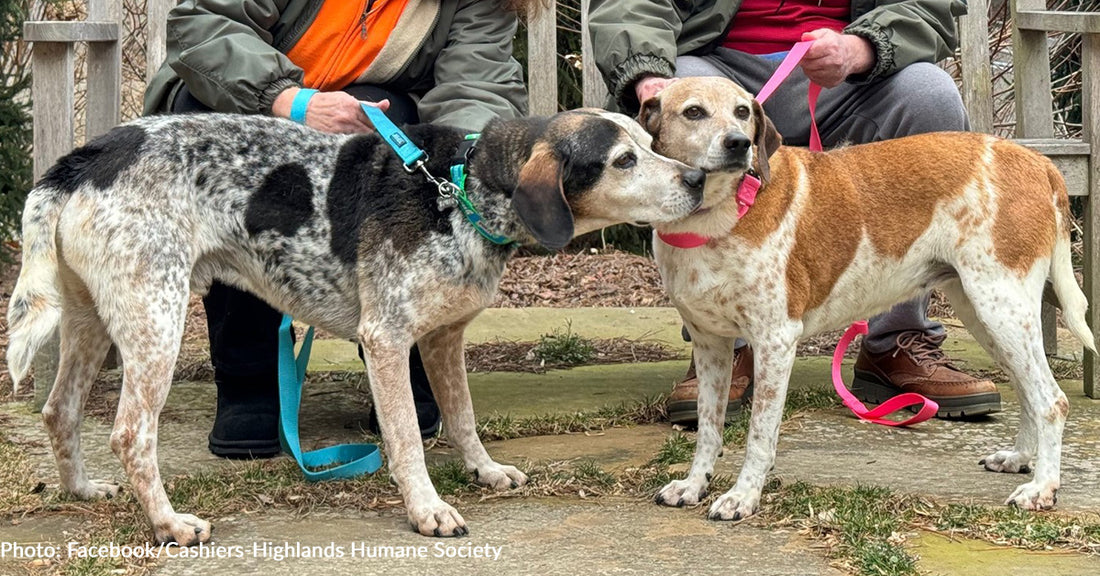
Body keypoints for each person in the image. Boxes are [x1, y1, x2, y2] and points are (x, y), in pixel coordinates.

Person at [144, 0, 530, 458]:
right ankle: (249, 377)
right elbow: (205, 22)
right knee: (208, 114)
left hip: (380, 123)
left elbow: (477, 84)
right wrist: (291, 102)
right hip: (255, 99)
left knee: (408, 131)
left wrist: (457, 162)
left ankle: (404, 354)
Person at [588, 0, 1003, 426]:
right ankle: (722, 346)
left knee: (928, 95)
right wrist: (650, 76)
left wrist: (863, 47)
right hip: (716, 70)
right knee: (692, 81)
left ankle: (895, 341)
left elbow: (925, 6)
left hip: (850, 80)